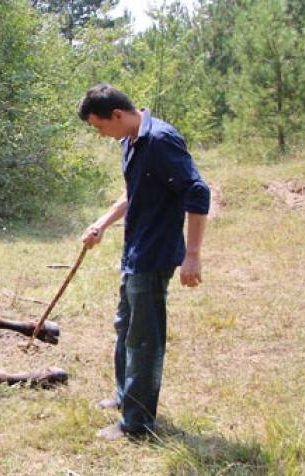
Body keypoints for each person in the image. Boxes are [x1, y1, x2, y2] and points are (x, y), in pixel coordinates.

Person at [77, 84, 210, 441]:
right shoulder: (130, 142)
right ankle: (125, 399)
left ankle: (137, 425)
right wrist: (102, 224)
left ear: (117, 115)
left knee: (143, 339)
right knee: (125, 326)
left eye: (100, 127)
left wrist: (192, 256)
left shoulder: (162, 141)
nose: (101, 134)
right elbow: (132, 194)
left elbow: (198, 192)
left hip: (155, 254)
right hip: (135, 250)